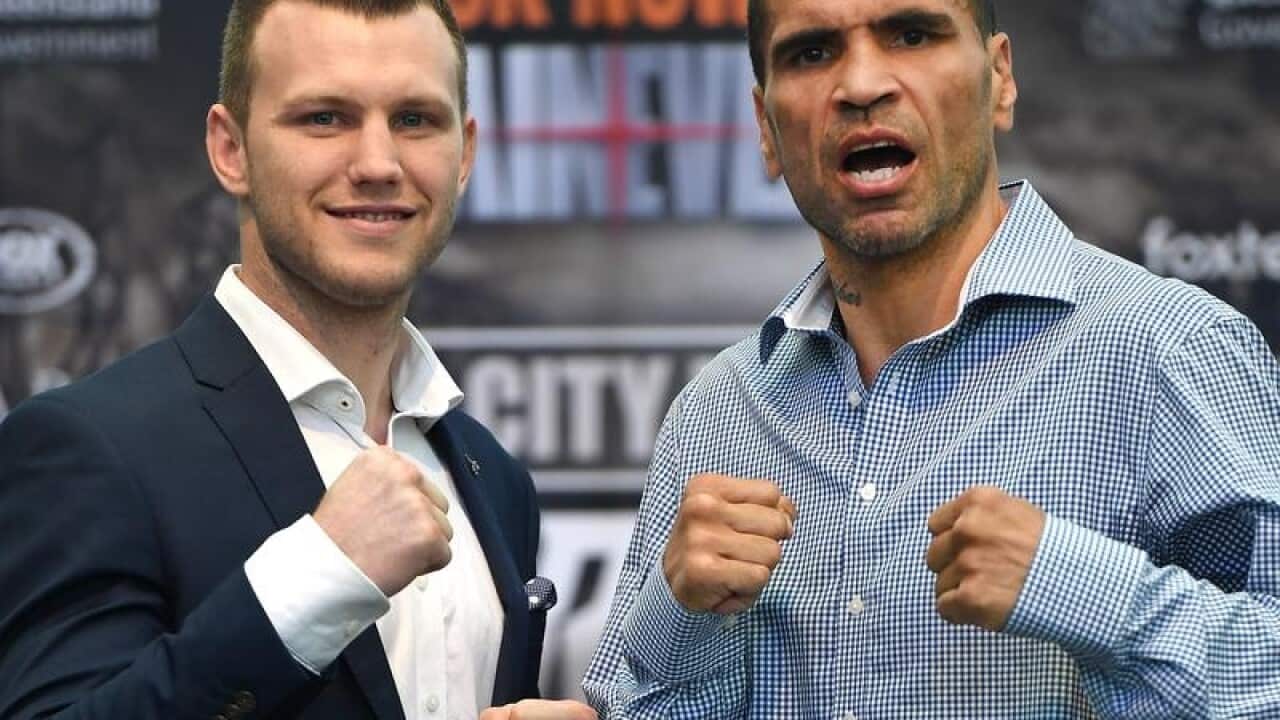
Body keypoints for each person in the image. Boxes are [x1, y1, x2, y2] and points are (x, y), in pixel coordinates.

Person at [583, 0, 1280, 716]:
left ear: (1000, 80)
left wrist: (1078, 589)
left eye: (911, 34)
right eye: (812, 53)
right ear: (767, 129)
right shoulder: (716, 413)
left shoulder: (1169, 346)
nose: (860, 85)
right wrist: (681, 617)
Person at [0, 2, 596, 719]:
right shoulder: (87, 448)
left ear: (464, 153)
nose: (378, 164)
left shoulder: (494, 478)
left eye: (414, 120)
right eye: (324, 118)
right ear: (231, 150)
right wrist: (317, 577)